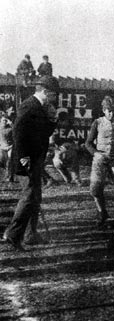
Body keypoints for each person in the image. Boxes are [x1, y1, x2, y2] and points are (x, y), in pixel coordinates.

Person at [2, 76, 60, 250]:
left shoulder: (41, 107)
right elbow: (18, 133)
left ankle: (30, 234)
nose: (56, 98)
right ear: (45, 91)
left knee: (35, 196)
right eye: (54, 94)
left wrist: (52, 121)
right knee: (29, 196)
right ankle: (13, 234)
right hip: (25, 160)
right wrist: (24, 159)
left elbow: (42, 134)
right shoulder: (29, 105)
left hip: (34, 159)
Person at [85, 96, 114, 226]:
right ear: (104, 111)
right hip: (100, 159)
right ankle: (102, 212)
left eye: (113, 110)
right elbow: (88, 143)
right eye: (108, 111)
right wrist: (96, 154)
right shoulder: (98, 122)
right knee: (95, 188)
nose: (111, 113)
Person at [0, 111, 15, 182]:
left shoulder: (11, 128)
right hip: (2, 147)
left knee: (10, 160)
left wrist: (12, 124)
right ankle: (4, 175)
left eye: (6, 120)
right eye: (3, 120)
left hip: (10, 146)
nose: (5, 122)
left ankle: (10, 176)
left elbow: (17, 132)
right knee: (2, 162)